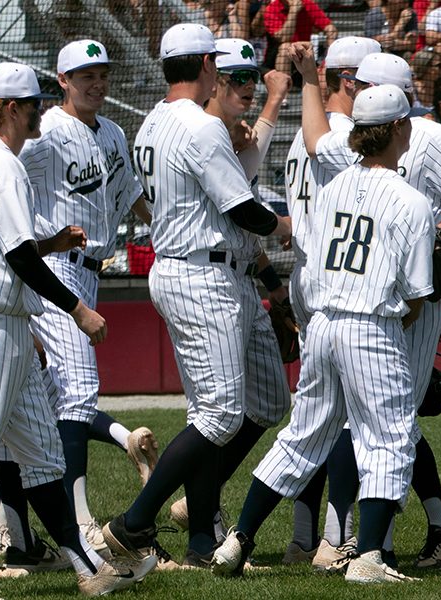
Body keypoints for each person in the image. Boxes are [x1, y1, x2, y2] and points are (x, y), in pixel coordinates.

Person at [0, 61, 156, 600]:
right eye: (31, 106)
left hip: (4, 321)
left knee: (44, 456)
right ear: (8, 110)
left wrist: (47, 253)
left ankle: (86, 566)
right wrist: (76, 308)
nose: (39, 115)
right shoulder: (1, 164)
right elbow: (18, 255)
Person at [211, 81, 434, 585]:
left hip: (324, 323)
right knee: (390, 438)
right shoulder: (412, 201)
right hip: (371, 325)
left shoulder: (330, 188)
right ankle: (371, 558)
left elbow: (309, 267)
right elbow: (419, 293)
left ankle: (238, 541)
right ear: (400, 128)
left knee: (302, 435)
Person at [301, 48, 441, 571]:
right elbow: (315, 143)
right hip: (374, 295)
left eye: (359, 82)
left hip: (416, 299)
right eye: (351, 83)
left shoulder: (433, 137)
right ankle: (431, 528)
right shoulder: (367, 135)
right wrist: (307, 83)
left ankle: (372, 543)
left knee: (384, 427)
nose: (351, 90)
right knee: (382, 425)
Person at [101, 22, 292, 567]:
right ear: (206, 66)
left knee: (261, 403)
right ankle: (135, 523)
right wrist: (286, 226)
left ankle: (200, 539)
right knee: (218, 418)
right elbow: (242, 209)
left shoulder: (152, 122)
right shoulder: (201, 127)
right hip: (201, 273)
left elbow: (228, 187)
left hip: (208, 270)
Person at [17, 39, 161, 558]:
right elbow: (6, 172)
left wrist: (166, 232)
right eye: (84, 75)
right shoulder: (46, 132)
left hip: (93, 269)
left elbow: (132, 197)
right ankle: (79, 525)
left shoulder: (114, 133)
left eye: (101, 73)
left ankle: (10, 522)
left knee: (52, 400)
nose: (96, 83)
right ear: (62, 81)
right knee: (78, 391)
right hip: (56, 267)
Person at [281, 35, 381, 569]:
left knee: (313, 414)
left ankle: (303, 537)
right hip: (334, 285)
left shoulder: (307, 130)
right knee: (349, 420)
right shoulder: (342, 133)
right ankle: (332, 537)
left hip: (305, 274)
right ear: (350, 81)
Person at [257, 0, 337, 74]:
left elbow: (329, 28)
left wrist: (328, 59)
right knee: (285, 47)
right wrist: (293, 11)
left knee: (331, 30)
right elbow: (284, 38)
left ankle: (330, 65)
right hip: (275, 60)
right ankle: (282, 85)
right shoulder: (272, 8)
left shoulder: (307, 4)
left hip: (302, 55)